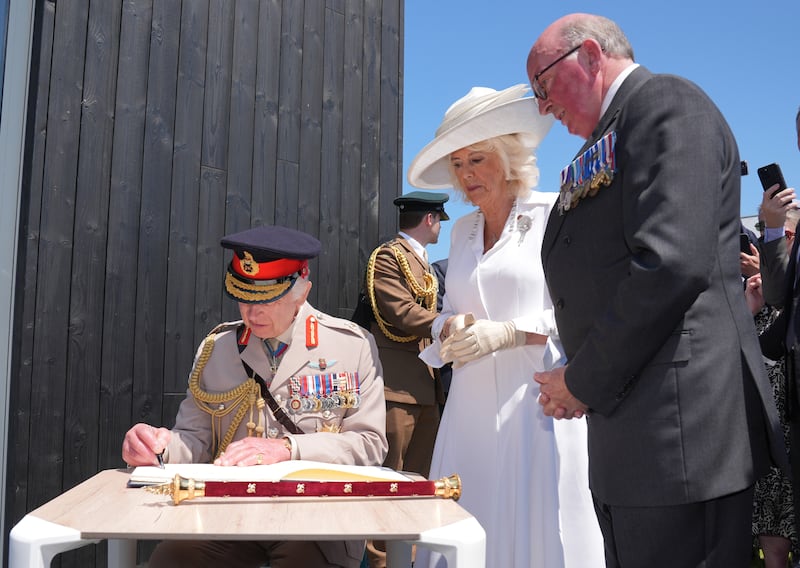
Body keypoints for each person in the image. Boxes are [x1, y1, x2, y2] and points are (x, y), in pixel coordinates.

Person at [526, 13, 786, 568]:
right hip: (636, 433)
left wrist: (582, 380)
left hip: (679, 434)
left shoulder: (667, 104)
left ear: (591, 56)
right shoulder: (603, 142)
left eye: (543, 87)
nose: (543, 107)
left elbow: (670, 264)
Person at [407, 84, 604, 568]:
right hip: (470, 406)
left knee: (539, 530)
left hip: (536, 402)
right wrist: (450, 326)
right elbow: (449, 304)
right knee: (470, 525)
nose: (466, 174)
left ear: (509, 157)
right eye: (457, 164)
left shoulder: (553, 213)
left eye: (477, 159)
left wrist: (513, 332)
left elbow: (585, 308)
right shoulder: (461, 230)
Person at [121, 225, 388, 568]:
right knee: (169, 561)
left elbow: (370, 444)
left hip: (315, 515)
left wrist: (289, 449)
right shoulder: (216, 348)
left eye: (268, 299)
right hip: (230, 513)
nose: (251, 312)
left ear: (302, 290)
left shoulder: (351, 345)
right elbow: (194, 438)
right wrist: (159, 447)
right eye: (243, 296)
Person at [361, 190, 449, 568]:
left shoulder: (424, 263)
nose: (440, 227)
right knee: (388, 482)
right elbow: (399, 311)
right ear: (430, 220)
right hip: (395, 387)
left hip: (425, 386)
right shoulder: (389, 256)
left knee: (417, 484)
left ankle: (406, 560)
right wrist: (446, 324)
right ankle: (379, 561)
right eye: (439, 221)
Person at [746, 208, 800, 567]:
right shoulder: (755, 292)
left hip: (794, 422)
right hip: (768, 430)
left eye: (787, 238)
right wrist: (749, 307)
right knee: (772, 535)